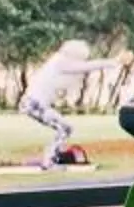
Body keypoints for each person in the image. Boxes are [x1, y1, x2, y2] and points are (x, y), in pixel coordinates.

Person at [19, 39, 95, 170]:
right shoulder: (60, 62)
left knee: (65, 128)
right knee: (65, 129)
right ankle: (49, 160)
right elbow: (81, 70)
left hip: (33, 103)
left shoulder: (58, 61)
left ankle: (50, 158)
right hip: (34, 104)